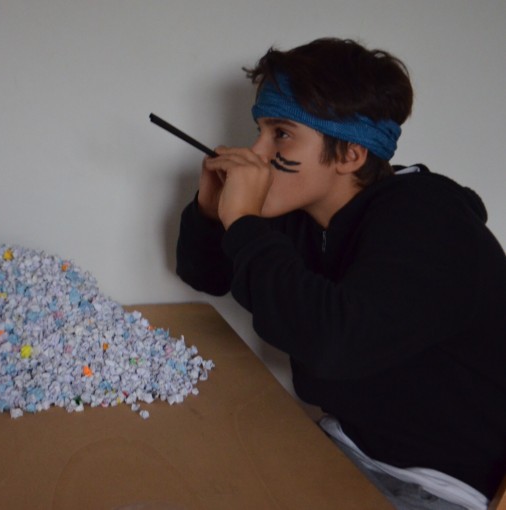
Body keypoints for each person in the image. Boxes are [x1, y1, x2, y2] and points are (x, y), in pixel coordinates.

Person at [175, 37, 506, 509]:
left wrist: (245, 223)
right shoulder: (306, 214)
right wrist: (212, 214)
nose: (257, 152)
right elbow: (206, 274)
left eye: (281, 134)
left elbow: (335, 343)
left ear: (351, 154)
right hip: (345, 445)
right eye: (260, 131)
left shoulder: (429, 218)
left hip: (440, 485)